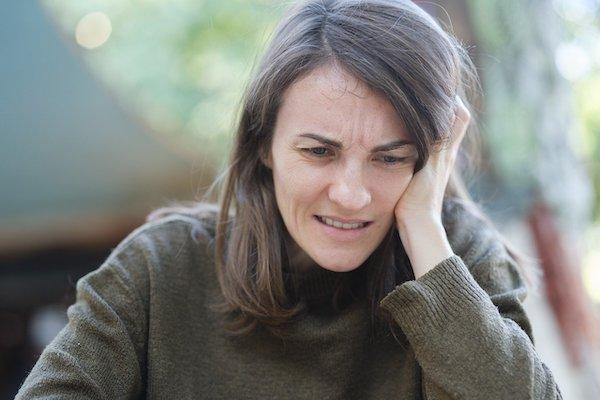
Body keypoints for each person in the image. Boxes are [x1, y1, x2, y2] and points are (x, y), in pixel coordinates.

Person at [16, 0, 563, 399]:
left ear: (431, 160)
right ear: (264, 144)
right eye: (320, 152)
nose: (351, 195)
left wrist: (423, 225)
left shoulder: (458, 259)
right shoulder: (162, 267)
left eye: (391, 158)